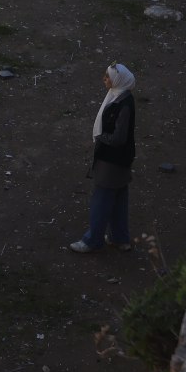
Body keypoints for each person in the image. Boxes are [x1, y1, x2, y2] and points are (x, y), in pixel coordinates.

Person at [70, 64, 137, 253]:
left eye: (108, 77)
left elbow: (118, 137)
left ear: (117, 80)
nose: (104, 79)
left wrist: (101, 137)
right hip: (121, 160)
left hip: (112, 160)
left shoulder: (122, 103)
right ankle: (119, 238)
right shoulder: (122, 97)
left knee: (101, 200)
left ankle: (92, 240)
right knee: (118, 199)